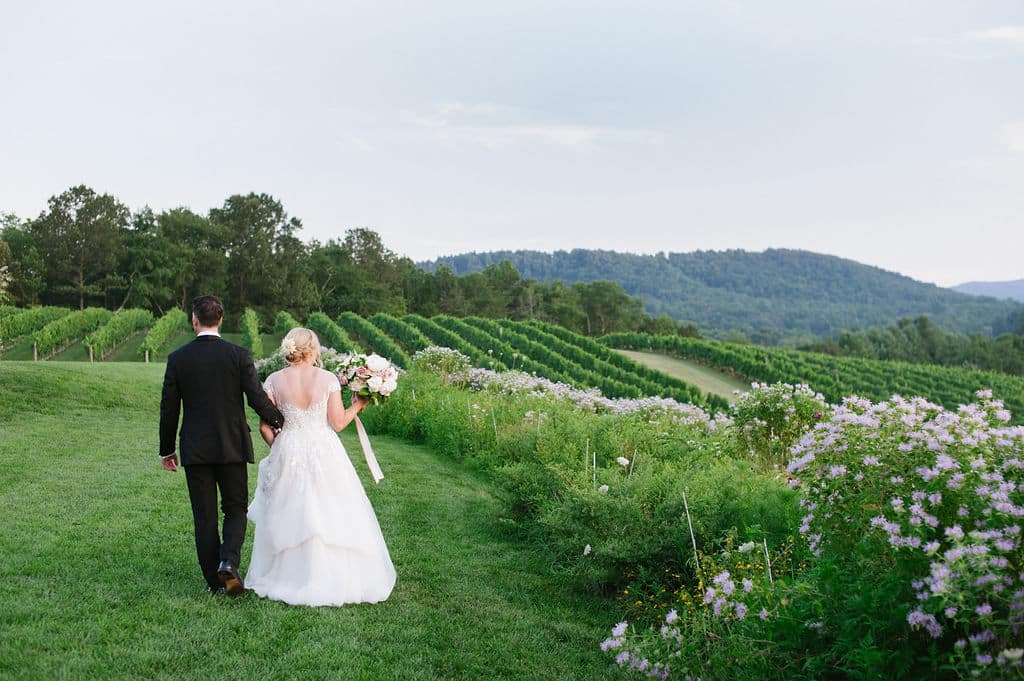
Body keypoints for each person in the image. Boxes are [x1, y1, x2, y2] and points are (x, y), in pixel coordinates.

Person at [245, 327, 396, 606]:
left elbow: (265, 426)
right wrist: (359, 405)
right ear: (313, 349)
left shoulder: (274, 380)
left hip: (288, 447)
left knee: (290, 508)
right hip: (323, 448)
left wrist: (279, 447)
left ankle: (288, 575)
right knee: (329, 508)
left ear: (289, 348)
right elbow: (337, 423)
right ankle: (332, 575)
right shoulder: (327, 379)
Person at [159, 296, 285, 595]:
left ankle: (214, 583)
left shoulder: (178, 359)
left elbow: (169, 409)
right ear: (221, 319)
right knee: (235, 509)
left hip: (196, 448)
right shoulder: (239, 356)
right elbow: (256, 398)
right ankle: (228, 562)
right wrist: (281, 421)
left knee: (205, 516)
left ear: (194, 320)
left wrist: (167, 449)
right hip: (232, 445)